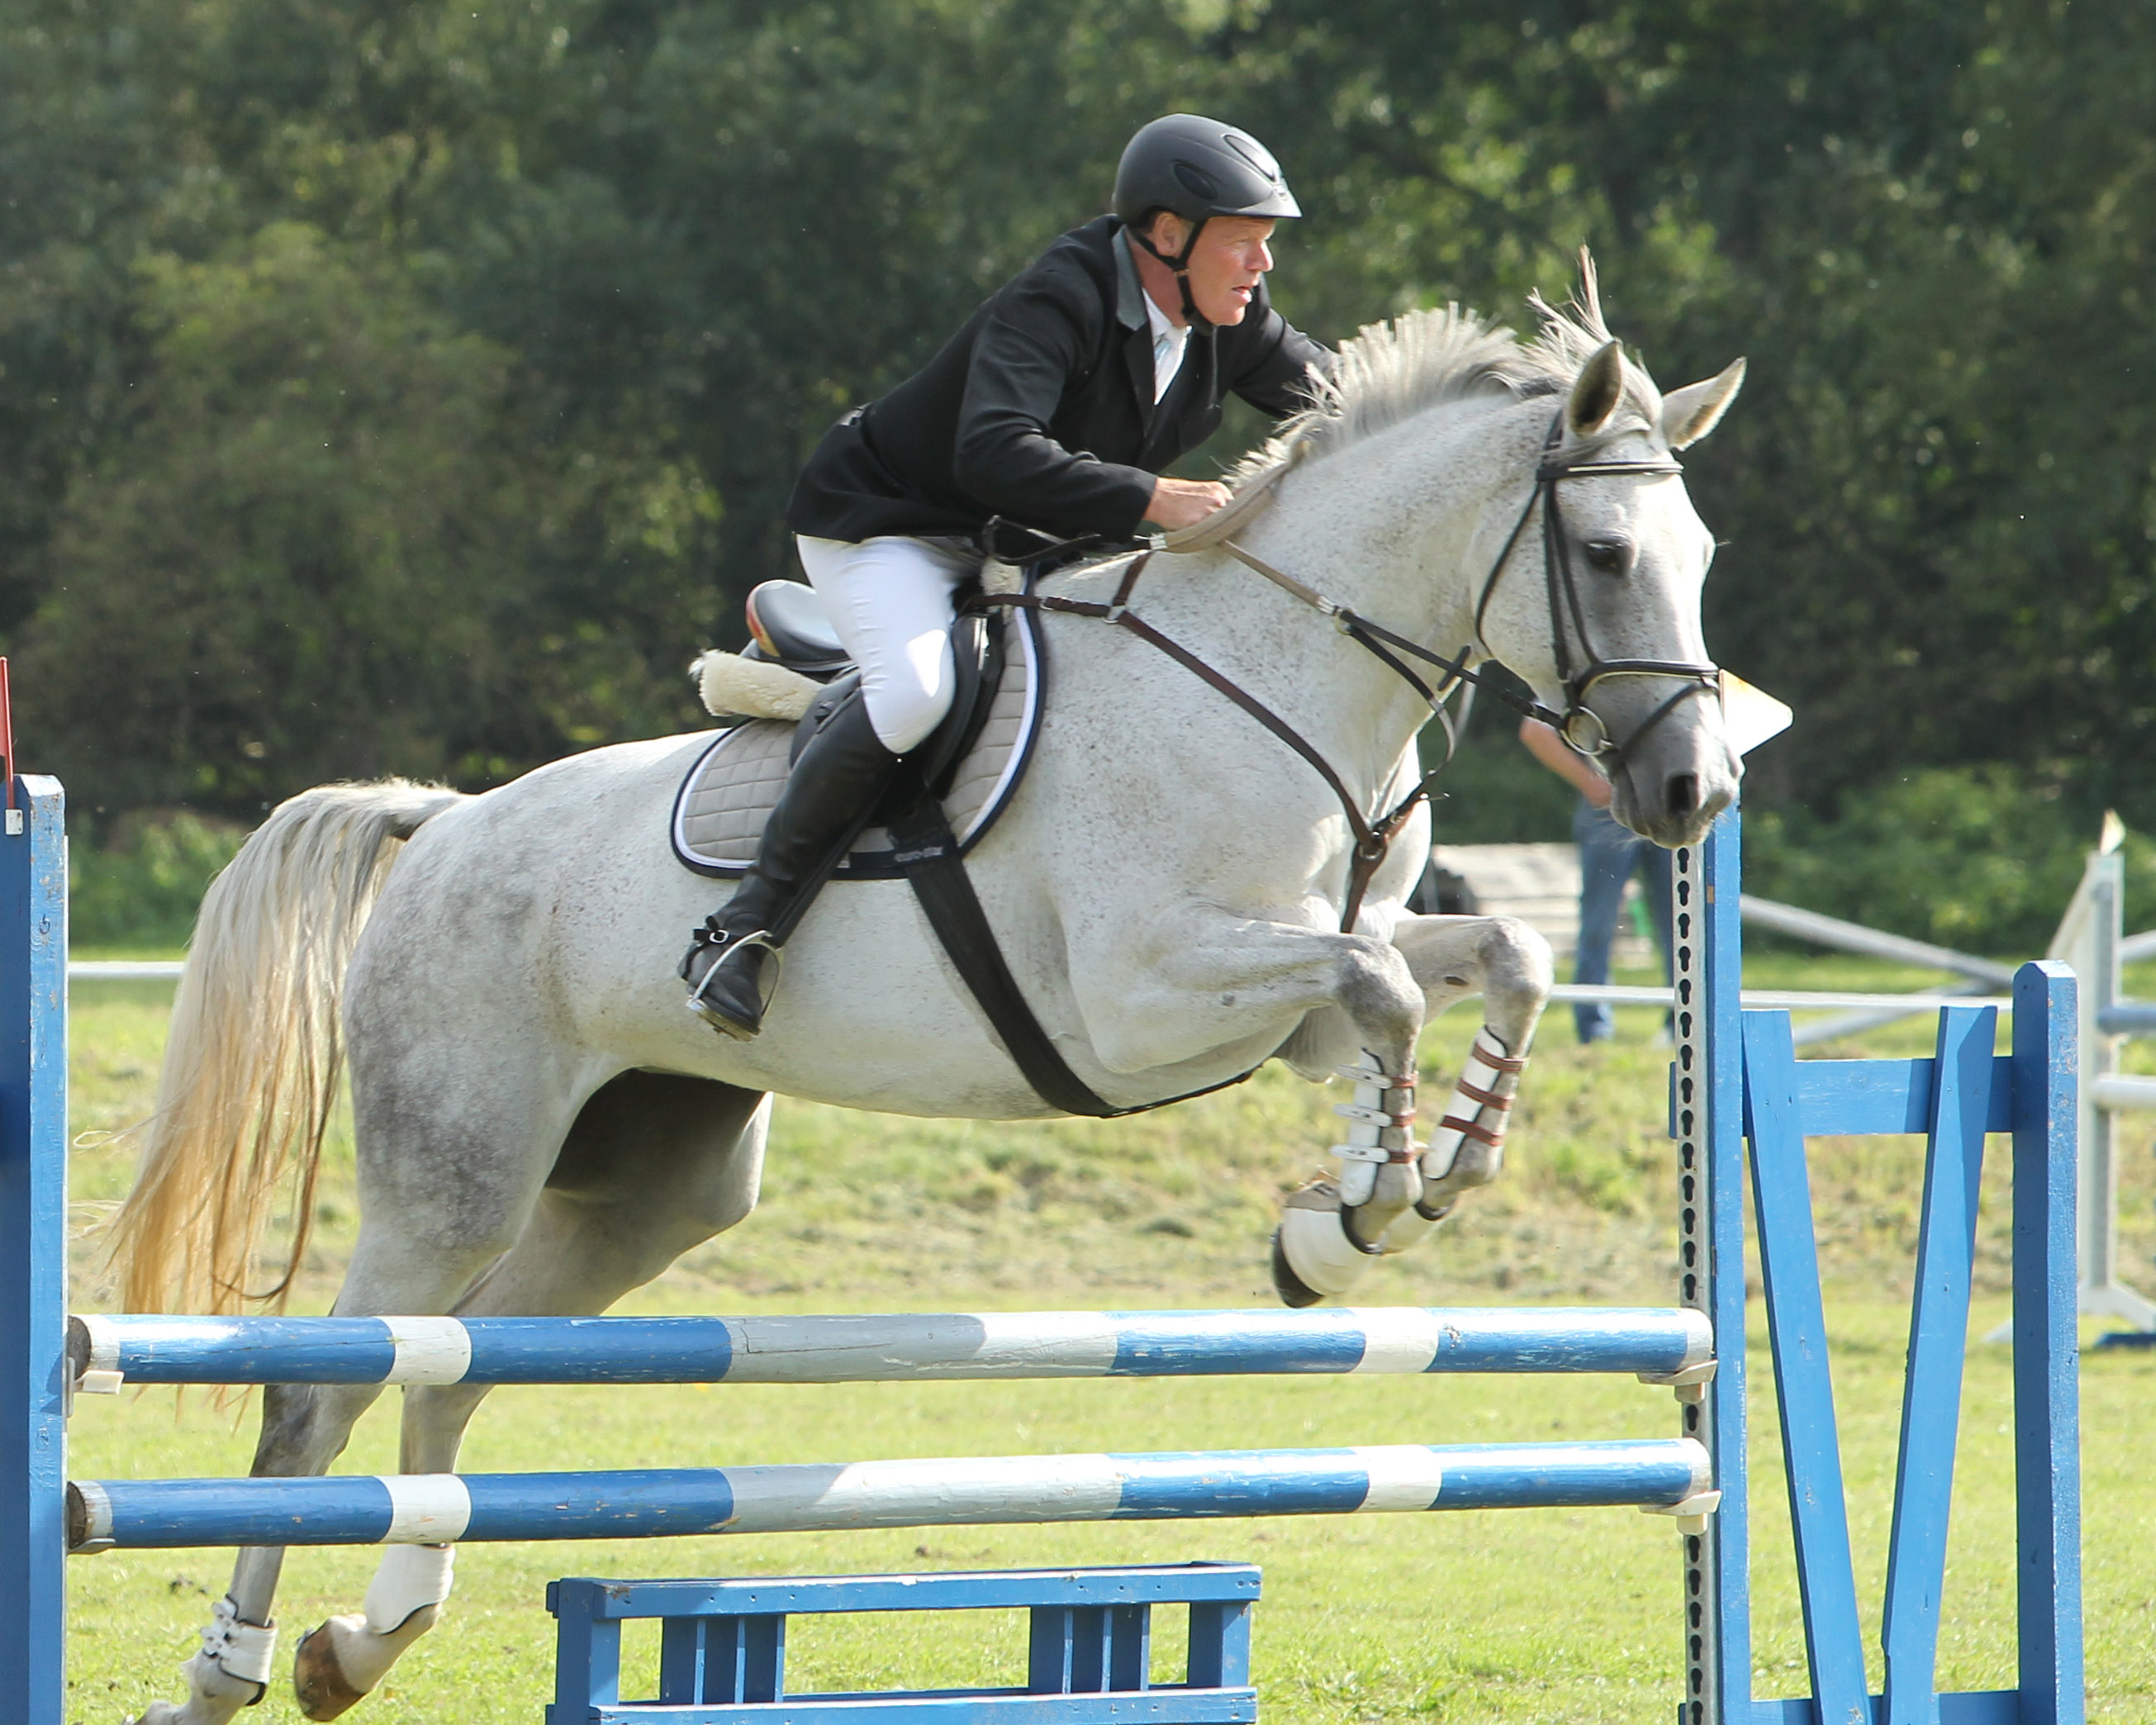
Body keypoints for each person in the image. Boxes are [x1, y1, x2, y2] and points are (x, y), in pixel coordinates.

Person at [681, 114, 1332, 1038]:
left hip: (1031, 538)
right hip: (892, 525)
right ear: (1169, 235)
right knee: (915, 694)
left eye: (1267, 246)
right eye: (1245, 242)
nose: (1262, 265)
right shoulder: (1059, 297)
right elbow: (992, 450)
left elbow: (1351, 398)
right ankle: (743, 930)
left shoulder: (1232, 321)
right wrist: (1152, 497)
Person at [1517, 715, 1674, 1044]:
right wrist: (1590, 781)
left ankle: (1684, 1025)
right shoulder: (1584, 667)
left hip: (1671, 801)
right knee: (1598, 926)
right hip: (1610, 808)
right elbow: (1535, 730)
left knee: (1682, 926)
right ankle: (1594, 1030)